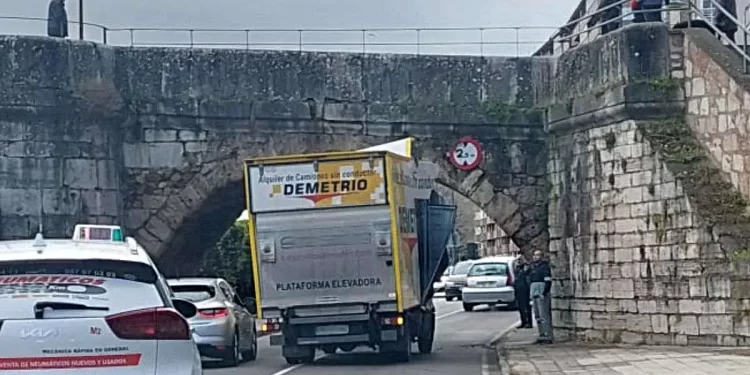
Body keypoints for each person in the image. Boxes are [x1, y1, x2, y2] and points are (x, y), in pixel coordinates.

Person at [529, 250, 553, 344]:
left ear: (542, 257)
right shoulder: (533, 267)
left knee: (544, 315)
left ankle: (547, 335)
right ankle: (541, 334)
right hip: (534, 291)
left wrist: (544, 292)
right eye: (534, 255)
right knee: (537, 315)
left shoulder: (544, 267)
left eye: (538, 255)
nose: (535, 257)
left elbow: (548, 280)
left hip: (541, 291)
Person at [513, 255, 533, 329]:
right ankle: (523, 322)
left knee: (526, 307)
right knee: (520, 307)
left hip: (525, 289)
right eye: (518, 260)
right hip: (518, 289)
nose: (519, 261)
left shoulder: (526, 267)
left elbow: (527, 277)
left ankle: (528, 322)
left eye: (520, 260)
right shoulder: (517, 267)